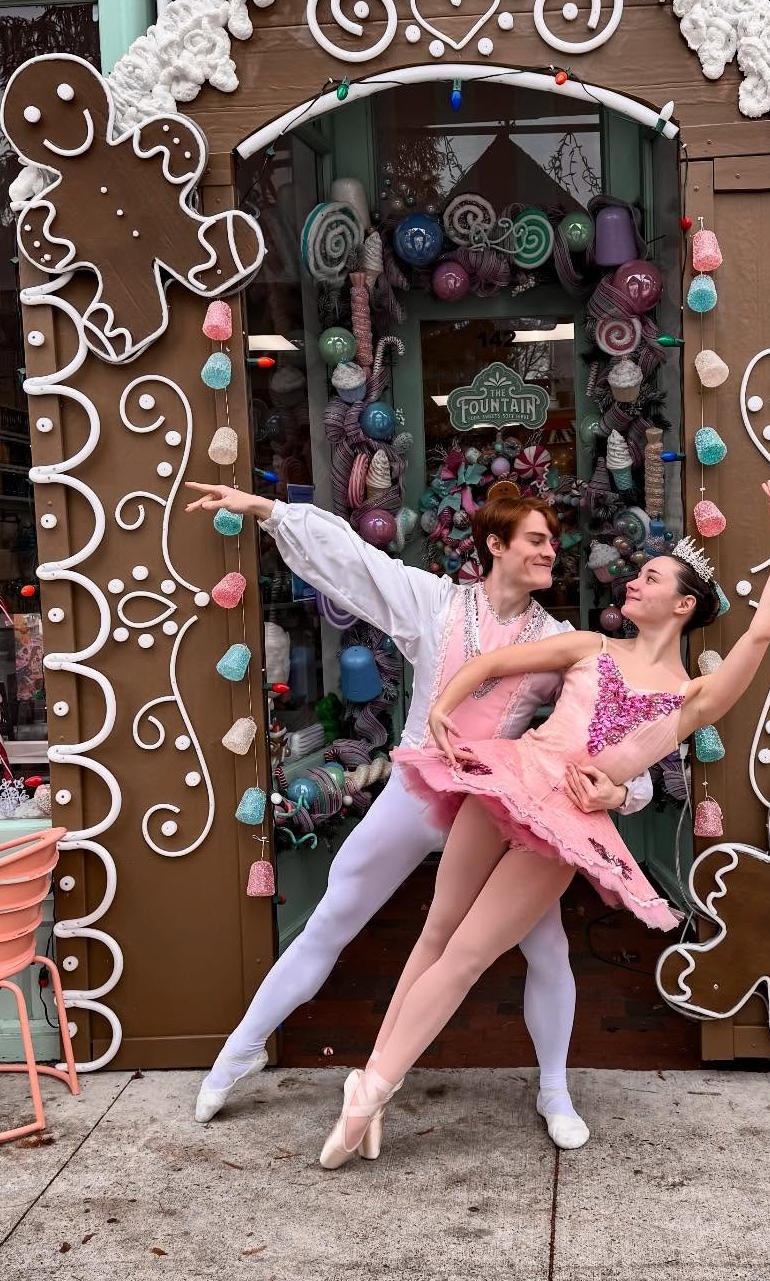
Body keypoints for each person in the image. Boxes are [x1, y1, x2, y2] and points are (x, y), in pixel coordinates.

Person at [318, 478, 770, 1168]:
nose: (634, 581)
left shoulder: (692, 696)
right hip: (509, 781)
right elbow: (493, 662)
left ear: (683, 605)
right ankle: (372, 1085)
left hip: (567, 824)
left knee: (467, 955)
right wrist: (441, 711)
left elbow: (760, 634)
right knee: (436, 935)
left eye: (651, 578)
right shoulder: (588, 646)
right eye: (637, 574)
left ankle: (368, 1094)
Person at [182, 479, 654, 1148]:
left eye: (553, 540)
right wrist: (270, 511)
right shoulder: (437, 602)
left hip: (500, 808)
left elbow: (610, 729)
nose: (551, 551)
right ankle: (240, 1050)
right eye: (536, 539)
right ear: (496, 545)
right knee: (333, 917)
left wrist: (626, 793)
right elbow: (356, 562)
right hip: (419, 788)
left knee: (548, 947)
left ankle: (554, 1089)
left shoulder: (561, 640)